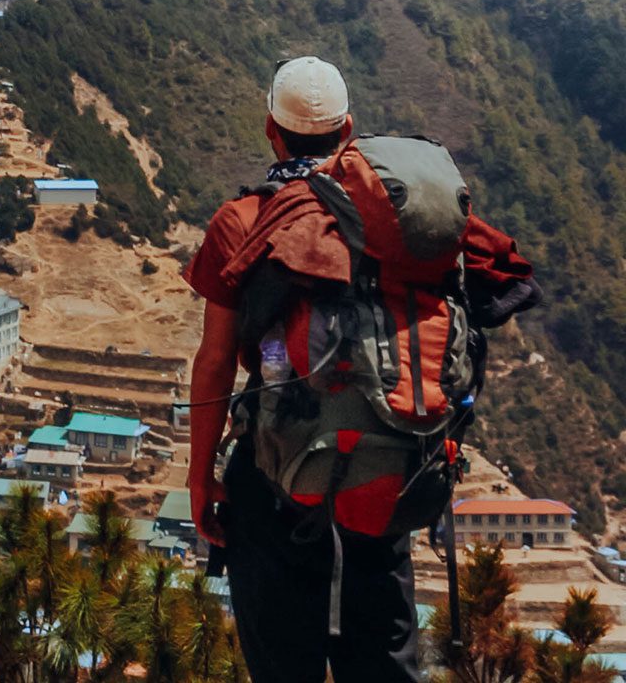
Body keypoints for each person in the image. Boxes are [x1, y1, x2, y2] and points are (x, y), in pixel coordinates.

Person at [183, 57, 537, 682]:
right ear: (349, 129)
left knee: (282, 665)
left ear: (272, 128)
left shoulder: (242, 221)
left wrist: (200, 478)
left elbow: (214, 364)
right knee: (382, 665)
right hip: (386, 475)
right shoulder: (399, 228)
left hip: (274, 482)